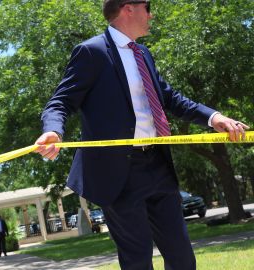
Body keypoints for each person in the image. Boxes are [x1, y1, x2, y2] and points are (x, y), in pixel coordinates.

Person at [34, 1, 249, 269]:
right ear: (129, 8)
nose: (151, 14)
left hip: (158, 165)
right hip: (118, 173)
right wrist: (53, 130)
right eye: (147, 7)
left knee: (182, 258)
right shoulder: (92, 52)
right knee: (137, 261)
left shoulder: (143, 53)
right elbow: (60, 102)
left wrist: (213, 117)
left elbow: (169, 97)